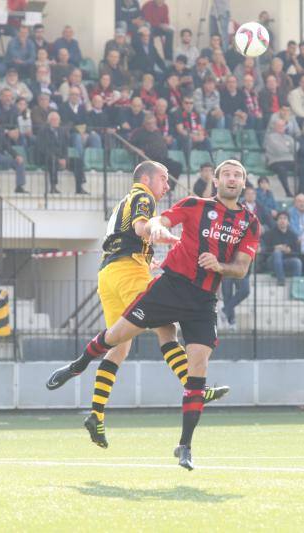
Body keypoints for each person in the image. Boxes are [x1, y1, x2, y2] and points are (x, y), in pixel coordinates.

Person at [46, 160, 259, 470]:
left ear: (243, 182)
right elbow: (153, 222)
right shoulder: (150, 197)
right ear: (215, 181)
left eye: (238, 174)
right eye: (226, 173)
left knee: (125, 346)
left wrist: (217, 265)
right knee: (156, 332)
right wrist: (156, 228)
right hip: (146, 276)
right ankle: (81, 366)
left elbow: (240, 269)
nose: (167, 185)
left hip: (167, 288)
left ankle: (172, 437)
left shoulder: (249, 222)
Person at [36, 112, 86, 195]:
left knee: (78, 161)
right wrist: (58, 159)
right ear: (49, 121)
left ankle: (79, 187)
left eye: (56, 120)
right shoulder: (43, 131)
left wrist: (65, 159)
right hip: (46, 157)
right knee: (53, 160)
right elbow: (43, 148)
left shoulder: (62, 131)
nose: (55, 121)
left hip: (60, 158)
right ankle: (53, 187)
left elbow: (65, 147)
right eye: (53, 119)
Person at [262, 212, 302, 286]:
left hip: (286, 261)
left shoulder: (293, 235)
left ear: (288, 222)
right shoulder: (270, 233)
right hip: (272, 261)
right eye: (280, 218)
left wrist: (289, 251)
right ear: (276, 221)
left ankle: (297, 286)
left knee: (297, 262)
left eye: (285, 218)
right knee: (277, 252)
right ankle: (281, 280)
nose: (282, 220)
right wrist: (275, 248)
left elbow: (297, 252)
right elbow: (264, 250)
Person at [265, 118, 296, 197]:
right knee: (281, 169)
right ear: (275, 127)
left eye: (283, 125)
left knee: (303, 167)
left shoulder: (289, 137)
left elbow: (295, 149)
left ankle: (301, 192)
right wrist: (288, 148)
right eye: (279, 125)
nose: (281, 127)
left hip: (289, 160)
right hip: (275, 161)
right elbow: (278, 149)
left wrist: (287, 148)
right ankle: (287, 191)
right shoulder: (270, 137)